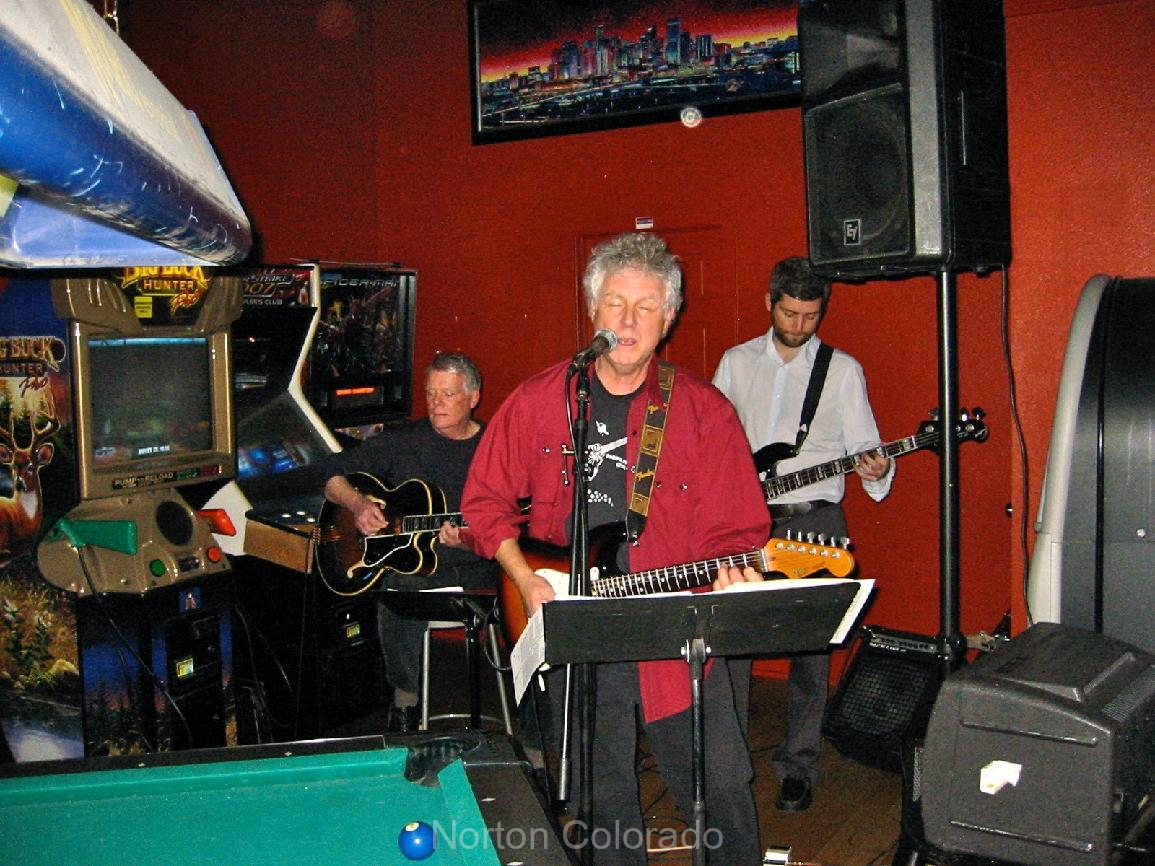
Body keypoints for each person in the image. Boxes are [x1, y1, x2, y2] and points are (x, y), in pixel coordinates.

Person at [461, 232, 768, 865]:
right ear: (591, 309)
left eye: (646, 306)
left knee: (720, 792)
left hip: (674, 627)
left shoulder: (704, 412)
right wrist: (523, 576)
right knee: (601, 805)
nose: (627, 322)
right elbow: (484, 503)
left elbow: (737, 528)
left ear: (669, 317)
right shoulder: (540, 399)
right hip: (574, 629)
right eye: (615, 304)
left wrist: (735, 569)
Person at [712, 255, 894, 813]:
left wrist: (877, 469)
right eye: (789, 313)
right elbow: (712, 441)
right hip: (747, 521)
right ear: (770, 303)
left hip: (816, 520)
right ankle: (727, 766)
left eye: (810, 316)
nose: (798, 325)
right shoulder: (736, 362)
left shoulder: (843, 371)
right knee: (733, 650)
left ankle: (799, 767)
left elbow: (867, 448)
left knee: (812, 654)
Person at [320, 351, 499, 733]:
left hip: (474, 570)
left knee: (407, 584)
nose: (436, 403)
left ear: (473, 397)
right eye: (431, 393)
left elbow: (506, 528)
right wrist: (358, 504)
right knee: (399, 586)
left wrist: (468, 541)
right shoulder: (403, 441)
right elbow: (331, 475)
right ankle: (405, 700)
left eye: (448, 394)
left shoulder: (495, 449)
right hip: (413, 570)